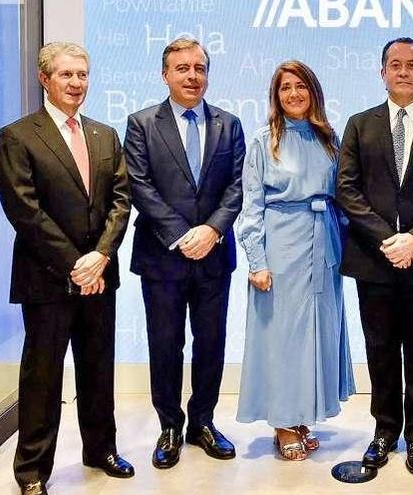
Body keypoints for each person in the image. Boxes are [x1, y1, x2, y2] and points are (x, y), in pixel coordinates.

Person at [0, 42, 133, 495]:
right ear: (44, 79)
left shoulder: (104, 135)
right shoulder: (18, 136)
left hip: (99, 277)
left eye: (83, 75)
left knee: (98, 369)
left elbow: (120, 201)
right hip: (48, 280)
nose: (77, 84)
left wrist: (102, 256)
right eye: (67, 75)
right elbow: (24, 210)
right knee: (42, 377)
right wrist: (76, 263)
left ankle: (101, 450)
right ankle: (32, 470)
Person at [336, 37, 413, 475]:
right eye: (395, 64)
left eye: (412, 65)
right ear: (382, 71)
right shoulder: (359, 124)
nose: (404, 71)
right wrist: (388, 239)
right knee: (381, 351)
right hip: (374, 260)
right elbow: (347, 191)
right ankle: (384, 431)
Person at [123, 37, 244, 469]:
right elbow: (140, 185)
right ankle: (170, 426)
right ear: (165, 74)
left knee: (211, 343)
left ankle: (204, 423)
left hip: (214, 254)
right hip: (162, 255)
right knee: (166, 344)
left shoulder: (229, 124)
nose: (192, 76)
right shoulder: (142, 123)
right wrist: (181, 234)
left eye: (199, 68)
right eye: (182, 68)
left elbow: (237, 186)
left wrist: (211, 231)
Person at [235, 60, 355, 461]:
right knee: (283, 338)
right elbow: (250, 208)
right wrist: (257, 260)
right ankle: (283, 421)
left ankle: (303, 415)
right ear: (276, 95)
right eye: (285, 87)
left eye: (300, 86)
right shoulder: (262, 140)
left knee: (317, 333)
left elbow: (343, 200)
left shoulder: (329, 139)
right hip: (281, 246)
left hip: (324, 248)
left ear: (313, 91)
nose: (293, 94)